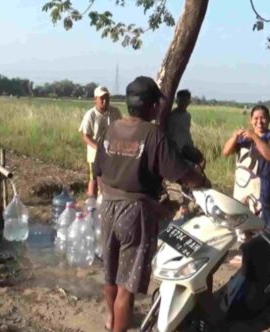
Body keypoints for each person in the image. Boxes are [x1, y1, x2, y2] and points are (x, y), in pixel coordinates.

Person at [95, 76, 210, 332]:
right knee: (127, 285)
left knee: (110, 273)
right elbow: (180, 172)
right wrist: (200, 178)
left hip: (108, 205)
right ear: (152, 106)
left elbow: (98, 171)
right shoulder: (153, 134)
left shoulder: (111, 129)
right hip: (134, 213)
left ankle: (111, 322)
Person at [222, 105, 270, 232]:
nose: (259, 121)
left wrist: (255, 138)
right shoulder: (244, 137)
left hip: (264, 187)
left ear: (269, 119)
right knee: (241, 222)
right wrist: (235, 137)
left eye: (263, 118)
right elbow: (226, 152)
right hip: (242, 186)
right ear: (251, 120)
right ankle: (246, 247)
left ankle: (264, 247)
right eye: (256, 118)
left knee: (264, 223)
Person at [163, 89, 205, 218]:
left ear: (189, 102)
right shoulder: (172, 116)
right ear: (177, 101)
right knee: (186, 173)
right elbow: (169, 134)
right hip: (176, 150)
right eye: (181, 101)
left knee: (201, 164)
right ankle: (184, 204)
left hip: (187, 147)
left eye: (186, 101)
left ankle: (193, 197)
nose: (183, 103)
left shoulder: (187, 116)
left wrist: (193, 148)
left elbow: (186, 133)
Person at [79, 86, 122, 197]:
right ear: (95, 99)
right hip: (95, 154)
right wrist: (99, 148)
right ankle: (91, 203)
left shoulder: (115, 112)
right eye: (102, 98)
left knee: (110, 178)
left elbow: (120, 130)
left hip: (112, 152)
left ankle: (106, 200)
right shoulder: (90, 115)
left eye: (107, 98)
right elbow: (86, 136)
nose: (105, 101)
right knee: (94, 178)